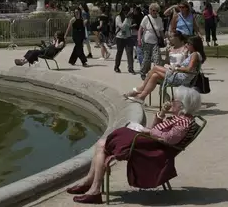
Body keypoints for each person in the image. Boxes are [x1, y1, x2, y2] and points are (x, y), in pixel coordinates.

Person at [67, 86, 201, 204]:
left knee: (103, 144)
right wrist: (161, 114)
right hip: (150, 143)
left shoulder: (183, 122)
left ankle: (93, 188)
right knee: (102, 144)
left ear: (182, 105)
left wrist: (147, 131)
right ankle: (91, 185)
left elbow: (168, 139)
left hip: (152, 149)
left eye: (174, 99)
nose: (171, 101)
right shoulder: (179, 118)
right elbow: (156, 128)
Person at [126, 35, 205, 104]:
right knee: (154, 75)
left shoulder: (194, 54)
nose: (186, 45)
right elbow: (188, 67)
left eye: (188, 43)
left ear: (194, 45)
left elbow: (189, 68)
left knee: (155, 68)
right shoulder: (194, 54)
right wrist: (178, 65)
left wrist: (176, 68)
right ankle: (142, 97)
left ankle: (141, 89)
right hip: (179, 76)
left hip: (181, 78)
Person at [138, 3, 164, 81]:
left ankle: (156, 75)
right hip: (146, 41)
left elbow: (161, 30)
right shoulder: (146, 18)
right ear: (150, 10)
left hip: (155, 42)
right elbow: (140, 30)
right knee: (147, 59)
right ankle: (143, 72)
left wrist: (164, 39)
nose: (154, 12)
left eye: (156, 10)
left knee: (157, 59)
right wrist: (139, 39)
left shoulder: (159, 19)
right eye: (152, 10)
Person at [114, 5, 134, 74]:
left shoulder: (130, 18)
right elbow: (122, 27)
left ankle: (131, 68)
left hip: (128, 37)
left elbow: (128, 26)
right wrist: (126, 18)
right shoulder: (118, 17)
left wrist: (128, 20)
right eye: (125, 12)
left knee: (130, 53)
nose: (126, 13)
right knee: (119, 52)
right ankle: (116, 67)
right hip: (120, 37)